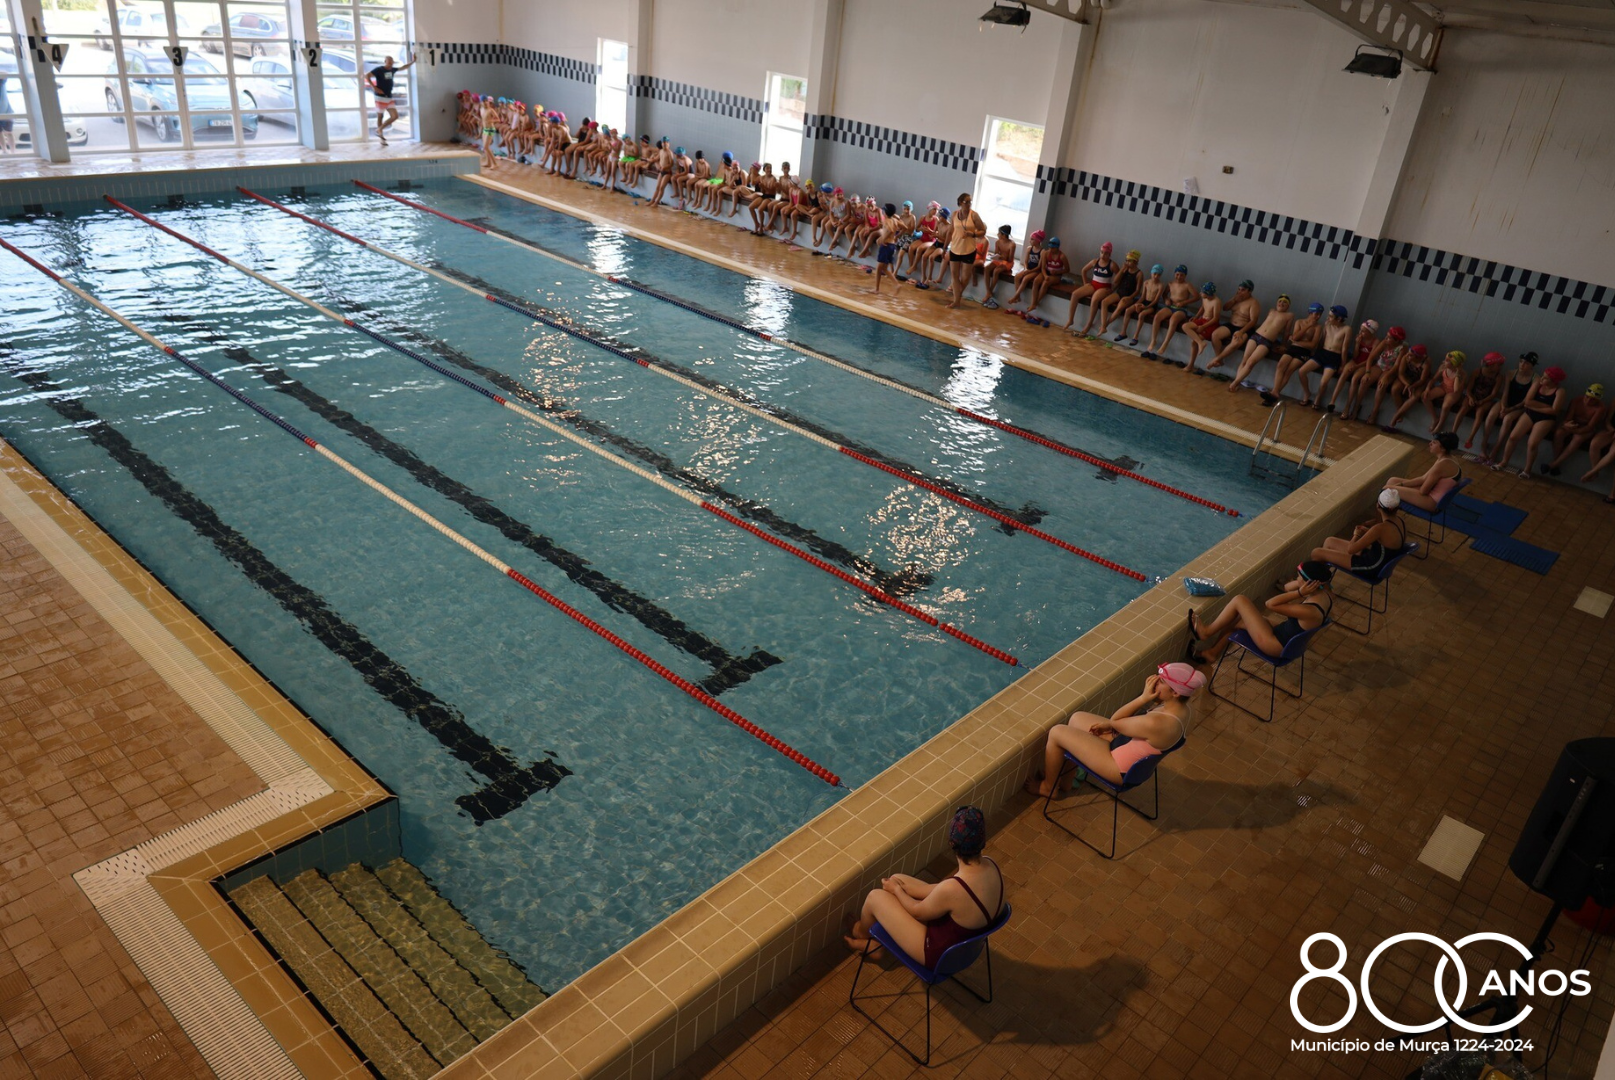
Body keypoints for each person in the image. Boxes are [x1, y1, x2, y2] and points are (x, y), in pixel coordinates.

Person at [844, 806, 1004, 965]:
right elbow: (943, 892)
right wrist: (900, 886)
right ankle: (878, 939)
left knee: (875, 898)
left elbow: (917, 912)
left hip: (939, 954)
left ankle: (861, 933)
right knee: (897, 878)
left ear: (951, 843)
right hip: (966, 946)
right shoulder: (991, 865)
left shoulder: (954, 888)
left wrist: (897, 890)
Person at [1023, 663, 1202, 799]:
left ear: (1176, 693)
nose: (1153, 682)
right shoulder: (1187, 710)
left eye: (1161, 681)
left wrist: (1142, 698)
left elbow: (1115, 721)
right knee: (1077, 719)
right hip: (1128, 747)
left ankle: (1048, 787)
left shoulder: (1158, 723)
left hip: (1118, 767)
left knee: (1057, 733)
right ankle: (1066, 782)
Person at [1188, 563, 1335, 663]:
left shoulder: (1309, 611)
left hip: (1276, 645)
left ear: (1311, 584)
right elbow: (1286, 587)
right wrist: (1300, 585)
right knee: (1240, 619)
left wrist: (1299, 593)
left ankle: (1206, 632)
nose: (1296, 579)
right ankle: (1212, 653)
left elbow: (1270, 604)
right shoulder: (1326, 594)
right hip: (1286, 637)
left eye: (1299, 578)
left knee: (1240, 600)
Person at [1490, 365, 1567, 477]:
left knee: (1532, 443)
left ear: (1554, 381)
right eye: (1542, 376)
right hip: (1530, 414)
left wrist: (1536, 407)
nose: (1541, 379)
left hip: (1546, 419)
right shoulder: (1537, 385)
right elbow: (1527, 402)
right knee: (1513, 437)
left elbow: (1554, 411)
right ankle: (1504, 462)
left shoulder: (1560, 391)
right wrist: (1545, 407)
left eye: (1545, 378)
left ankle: (1527, 470)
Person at [1311, 488, 1406, 575]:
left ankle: (1318, 584)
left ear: (1378, 505)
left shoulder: (1380, 528)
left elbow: (1351, 549)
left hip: (1371, 566)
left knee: (1316, 553)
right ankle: (1323, 578)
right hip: (1376, 558)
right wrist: (1368, 532)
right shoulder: (1400, 521)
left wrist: (1356, 534)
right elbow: (1386, 539)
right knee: (1329, 541)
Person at [1226, 297, 1301, 393]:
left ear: (1288, 306)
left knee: (1250, 363)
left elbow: (1286, 332)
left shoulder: (1289, 315)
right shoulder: (1271, 311)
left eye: (1284, 303)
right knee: (1245, 360)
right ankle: (1237, 383)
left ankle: (1235, 383)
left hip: (1267, 341)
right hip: (1256, 336)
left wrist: (1283, 345)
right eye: (1280, 301)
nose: (1281, 303)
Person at [1474, 353, 1539, 462]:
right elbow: (1505, 392)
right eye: (1521, 361)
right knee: (1491, 416)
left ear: (1532, 365)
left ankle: (1495, 451)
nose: (1522, 365)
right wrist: (1504, 407)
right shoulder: (1510, 373)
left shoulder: (1536, 379)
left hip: (1520, 406)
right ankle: (1483, 449)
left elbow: (1526, 401)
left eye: (1526, 363)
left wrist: (1509, 410)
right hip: (1506, 402)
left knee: (1507, 419)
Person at [1291, 305, 1352, 409]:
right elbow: (1321, 341)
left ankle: (1318, 399)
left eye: (1331, 316)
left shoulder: (1347, 329)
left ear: (1339, 318)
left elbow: (1344, 349)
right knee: (1302, 371)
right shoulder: (1327, 324)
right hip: (1322, 353)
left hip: (1334, 357)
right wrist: (1314, 353)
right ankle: (1307, 393)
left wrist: (1342, 365)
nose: (1328, 318)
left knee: (1324, 382)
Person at [1391, 349, 1465, 432]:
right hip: (1444, 387)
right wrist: (1427, 389)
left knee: (1445, 406)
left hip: (1454, 392)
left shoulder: (1462, 374)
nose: (1444, 361)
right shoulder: (1443, 368)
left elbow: (1456, 389)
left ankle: (1440, 424)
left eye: (1447, 361)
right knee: (1425, 397)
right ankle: (1435, 418)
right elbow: (1433, 379)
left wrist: (1458, 376)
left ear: (1454, 363)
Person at [1542, 385, 1608, 477]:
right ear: (1584, 394)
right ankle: (1556, 464)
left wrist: (1577, 431)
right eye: (1587, 397)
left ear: (1598, 400)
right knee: (1559, 433)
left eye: (1592, 399)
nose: (1588, 401)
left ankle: (1553, 464)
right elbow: (1568, 418)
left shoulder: (1600, 408)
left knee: (1577, 439)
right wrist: (1567, 425)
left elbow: (1590, 426)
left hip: (1586, 428)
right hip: (1573, 423)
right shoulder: (1576, 400)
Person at [1387, 434, 1464, 512]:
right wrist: (1401, 484)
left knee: (1387, 490)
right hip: (1432, 494)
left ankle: (1387, 520)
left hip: (1433, 502)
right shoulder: (1448, 458)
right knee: (1392, 481)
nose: (1430, 443)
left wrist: (1400, 487)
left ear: (1443, 448)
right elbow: (1423, 478)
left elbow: (1423, 491)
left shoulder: (1442, 465)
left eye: (1434, 443)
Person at [1142, 265, 1198, 363]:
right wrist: (1166, 299)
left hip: (1181, 309)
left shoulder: (1187, 285)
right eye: (1177, 274)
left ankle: (1165, 343)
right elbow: (1164, 294)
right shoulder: (1170, 283)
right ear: (1174, 274)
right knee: (1157, 317)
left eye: (1181, 275)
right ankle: (1153, 340)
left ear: (1185, 276)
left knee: (1173, 320)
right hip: (1170, 307)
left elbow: (1197, 297)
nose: (1179, 277)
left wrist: (1184, 303)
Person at [1203, 280, 1262, 370]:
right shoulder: (1236, 298)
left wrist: (1241, 332)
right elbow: (1225, 308)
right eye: (1238, 289)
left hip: (1245, 328)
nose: (1239, 292)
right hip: (1231, 325)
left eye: (1242, 290)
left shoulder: (1254, 303)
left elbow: (1253, 321)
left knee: (1235, 342)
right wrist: (1234, 300)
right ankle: (1219, 360)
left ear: (1249, 291)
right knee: (1215, 335)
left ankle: (1216, 359)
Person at [1332, 319, 1387, 415]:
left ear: (1371, 332)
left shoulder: (1375, 342)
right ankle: (1332, 400)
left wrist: (1356, 367)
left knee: (1355, 378)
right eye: (1360, 330)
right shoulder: (1359, 338)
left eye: (1363, 331)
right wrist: (1357, 344)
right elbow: (1355, 356)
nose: (1360, 332)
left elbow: (1371, 359)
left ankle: (1348, 407)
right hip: (1355, 361)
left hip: (1364, 364)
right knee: (1344, 373)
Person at [1059, 241, 1116, 330]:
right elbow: (1083, 270)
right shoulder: (1094, 262)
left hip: (1104, 288)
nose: (1103, 255)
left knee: (1095, 299)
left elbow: (1119, 278)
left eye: (1106, 254)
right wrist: (1085, 283)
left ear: (1110, 254)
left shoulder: (1112, 265)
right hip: (1093, 285)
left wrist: (1112, 289)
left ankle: (1089, 324)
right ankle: (1070, 320)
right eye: (1101, 252)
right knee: (1075, 294)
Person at [1087, 250, 1142, 337]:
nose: (1127, 263)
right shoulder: (1125, 270)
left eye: (1129, 261)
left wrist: (1130, 297)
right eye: (1126, 260)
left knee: (1120, 307)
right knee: (1104, 302)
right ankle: (1103, 326)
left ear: (1135, 262)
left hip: (1129, 296)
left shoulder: (1139, 274)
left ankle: (1104, 326)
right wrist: (1122, 270)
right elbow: (1116, 281)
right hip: (1119, 293)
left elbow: (1138, 290)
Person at [945, 193, 986, 310]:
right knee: (954, 275)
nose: (969, 204)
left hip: (968, 250)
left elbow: (982, 231)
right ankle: (956, 301)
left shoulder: (974, 216)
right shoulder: (954, 214)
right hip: (955, 249)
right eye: (966, 202)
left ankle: (956, 299)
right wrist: (944, 247)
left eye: (970, 202)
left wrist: (972, 234)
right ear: (960, 203)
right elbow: (949, 232)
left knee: (965, 277)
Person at [366, 54, 417, 145]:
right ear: (385, 62)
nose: (390, 63)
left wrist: (413, 62)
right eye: (388, 61)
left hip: (389, 96)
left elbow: (403, 67)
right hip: (380, 96)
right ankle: (381, 137)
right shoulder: (379, 70)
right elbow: (367, 76)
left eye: (391, 62)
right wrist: (374, 87)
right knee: (380, 116)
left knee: (395, 116)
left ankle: (379, 129)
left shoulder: (393, 70)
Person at [1114, 264, 1165, 345]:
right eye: (1154, 274)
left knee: (1141, 315)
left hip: (1151, 305)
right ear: (1151, 273)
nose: (1156, 276)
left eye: (1158, 275)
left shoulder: (1160, 285)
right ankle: (1123, 332)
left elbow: (1155, 300)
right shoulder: (1146, 283)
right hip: (1143, 302)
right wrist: (1137, 304)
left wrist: (1145, 307)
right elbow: (1142, 297)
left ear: (1160, 275)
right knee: (1128, 310)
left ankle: (1135, 336)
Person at [1577, 407, 1615, 504]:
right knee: (1595, 444)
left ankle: (1591, 473)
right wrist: (1611, 429)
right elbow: (1607, 420)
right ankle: (1595, 472)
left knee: (1613, 453)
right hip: (1611, 431)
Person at [1181, 282, 1222, 373]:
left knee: (1193, 342)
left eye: (1202, 292)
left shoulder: (1216, 302)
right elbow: (1202, 308)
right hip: (1202, 320)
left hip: (1211, 324)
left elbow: (1216, 319)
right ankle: (1200, 343)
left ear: (1208, 293)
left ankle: (1190, 365)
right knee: (1185, 326)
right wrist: (1196, 317)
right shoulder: (1205, 298)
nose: (1200, 293)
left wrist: (1203, 326)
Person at [1002, 230, 1045, 307]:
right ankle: (1018, 297)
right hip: (1028, 268)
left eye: (1032, 239)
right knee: (1017, 276)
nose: (1030, 241)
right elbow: (1025, 261)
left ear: (1038, 240)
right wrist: (1026, 269)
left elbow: (1039, 266)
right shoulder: (1029, 248)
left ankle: (1015, 296)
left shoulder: (1042, 251)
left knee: (1025, 279)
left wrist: (1029, 271)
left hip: (1036, 270)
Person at [871, 204, 905, 294]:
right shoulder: (894, 220)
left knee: (878, 269)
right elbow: (905, 227)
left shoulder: (887, 220)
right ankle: (897, 285)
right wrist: (897, 236)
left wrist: (882, 239)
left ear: (885, 212)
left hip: (886, 246)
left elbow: (889, 230)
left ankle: (876, 289)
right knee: (885, 269)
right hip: (892, 246)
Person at [981, 225, 1018, 308]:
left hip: (1008, 263)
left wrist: (1001, 257)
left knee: (996, 271)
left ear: (1003, 234)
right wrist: (995, 256)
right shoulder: (998, 242)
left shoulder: (1012, 244)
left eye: (999, 233)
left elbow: (1010, 259)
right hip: (999, 260)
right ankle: (988, 291)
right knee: (987, 268)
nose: (997, 234)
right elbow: (997, 253)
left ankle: (990, 291)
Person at [478, 96, 500, 169]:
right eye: (483, 101)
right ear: (481, 102)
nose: (485, 102)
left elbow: (498, 119)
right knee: (485, 147)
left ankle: (495, 164)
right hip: (485, 129)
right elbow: (483, 118)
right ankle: (488, 162)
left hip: (490, 129)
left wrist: (491, 121)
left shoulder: (491, 110)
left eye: (486, 101)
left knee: (486, 147)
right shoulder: (481, 109)